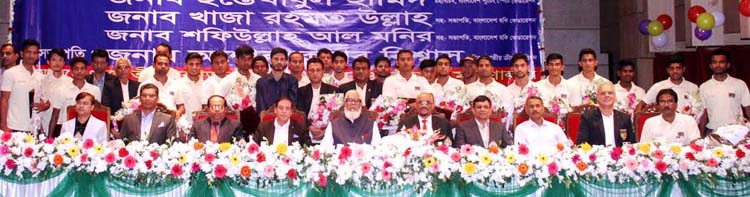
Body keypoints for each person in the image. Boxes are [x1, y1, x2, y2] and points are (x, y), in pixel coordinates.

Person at [699, 50, 750, 135]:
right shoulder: (704, 87)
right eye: (714, 62)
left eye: (721, 62)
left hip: (737, 131)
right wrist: (700, 134)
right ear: (711, 66)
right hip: (714, 132)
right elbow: (703, 115)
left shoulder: (739, 84)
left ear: (728, 65)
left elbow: (748, 109)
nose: (718, 65)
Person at [48, 57, 102, 137]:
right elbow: (55, 115)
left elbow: (98, 113)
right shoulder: (61, 89)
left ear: (87, 71)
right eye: (76, 69)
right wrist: (49, 137)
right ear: (71, 71)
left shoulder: (94, 90)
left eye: (82, 68)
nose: (79, 71)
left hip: (89, 131)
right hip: (66, 130)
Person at [1, 39, 44, 132]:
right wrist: (4, 125)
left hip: (33, 127)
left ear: (37, 56)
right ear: (22, 54)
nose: (31, 55)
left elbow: (42, 101)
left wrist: (45, 105)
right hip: (13, 126)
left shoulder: (40, 77)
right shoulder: (10, 73)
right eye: (28, 52)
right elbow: (4, 100)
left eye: (34, 53)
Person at [139, 54, 186, 119]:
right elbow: (139, 106)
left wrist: (176, 115)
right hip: (150, 121)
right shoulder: (145, 85)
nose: (163, 66)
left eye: (166, 64)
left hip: (171, 122)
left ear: (169, 66)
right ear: (153, 65)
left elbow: (181, 107)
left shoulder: (176, 84)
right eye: (160, 64)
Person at [39, 49, 72, 134]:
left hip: (65, 124)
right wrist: (40, 126)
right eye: (54, 60)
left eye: (60, 60)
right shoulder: (42, 81)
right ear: (48, 62)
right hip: (46, 123)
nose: (57, 63)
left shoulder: (70, 82)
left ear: (64, 63)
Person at [255, 48, 298, 112]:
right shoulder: (261, 82)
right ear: (270, 61)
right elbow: (260, 107)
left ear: (286, 62)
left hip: (286, 118)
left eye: (282, 59)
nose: (279, 62)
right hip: (266, 119)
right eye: (276, 59)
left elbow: (293, 105)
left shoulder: (292, 81)